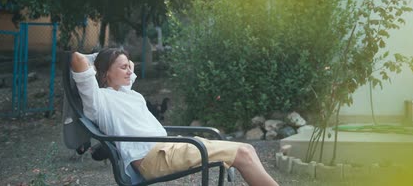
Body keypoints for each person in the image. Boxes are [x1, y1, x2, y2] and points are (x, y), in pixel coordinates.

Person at [71, 48, 278, 186]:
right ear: (105, 73)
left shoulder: (126, 92)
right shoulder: (99, 101)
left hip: (169, 149)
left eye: (128, 67)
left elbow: (130, 65)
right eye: (123, 67)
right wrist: (100, 60)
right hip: (155, 158)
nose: (129, 71)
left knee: (247, 149)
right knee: (243, 152)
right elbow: (77, 59)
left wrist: (117, 59)